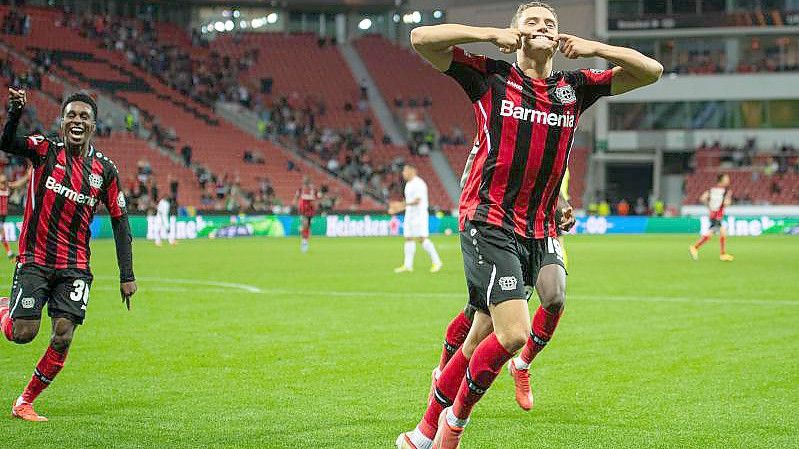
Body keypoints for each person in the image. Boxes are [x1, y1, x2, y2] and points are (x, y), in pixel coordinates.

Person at [395, 3, 662, 448]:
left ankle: (424, 430)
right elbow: (421, 39)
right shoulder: (490, 76)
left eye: (550, 24)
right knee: (514, 332)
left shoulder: (574, 89)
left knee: (480, 333)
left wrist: (594, 48)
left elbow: (650, 70)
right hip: (489, 220)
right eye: (532, 22)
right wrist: (490, 34)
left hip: (538, 230)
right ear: (517, 32)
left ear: (560, 37)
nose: (542, 28)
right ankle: (451, 429)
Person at [0, 88, 137, 422]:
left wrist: (127, 275)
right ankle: (4, 307)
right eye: (72, 115)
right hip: (35, 258)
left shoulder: (105, 170)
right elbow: (7, 143)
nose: (77, 120)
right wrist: (15, 113)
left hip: (75, 266)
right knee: (23, 334)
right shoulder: (45, 150)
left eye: (84, 116)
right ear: (62, 122)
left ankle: (25, 402)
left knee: (63, 335)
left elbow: (120, 223)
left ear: (93, 124)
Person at [389, 164, 442, 273]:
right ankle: (408, 265)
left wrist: (400, 206)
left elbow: (417, 200)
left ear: (412, 171)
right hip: (410, 215)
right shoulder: (408, 184)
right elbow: (409, 201)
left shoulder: (419, 183)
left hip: (419, 215)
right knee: (408, 238)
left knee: (422, 239)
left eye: (405, 171)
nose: (403, 173)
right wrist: (400, 207)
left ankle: (437, 262)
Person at [689, 173, 734, 262]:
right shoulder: (725, 191)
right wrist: (727, 199)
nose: (728, 180)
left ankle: (722, 254)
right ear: (722, 179)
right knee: (714, 231)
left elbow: (702, 198)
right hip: (717, 215)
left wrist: (709, 206)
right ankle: (695, 247)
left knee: (721, 231)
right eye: (726, 178)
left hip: (713, 214)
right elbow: (727, 203)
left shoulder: (712, 190)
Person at [0, 166, 31, 260]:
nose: (3, 181)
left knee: (3, 234)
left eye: (4, 180)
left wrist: (27, 176)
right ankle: (9, 252)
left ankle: (9, 252)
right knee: (2, 233)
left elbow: (17, 184)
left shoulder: (7, 188)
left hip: (3, 215)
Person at [295, 176, 317, 253]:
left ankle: (305, 240)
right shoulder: (300, 190)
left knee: (308, 227)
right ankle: (304, 242)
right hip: (303, 210)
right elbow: (297, 197)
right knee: (305, 225)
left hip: (310, 211)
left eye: (306, 182)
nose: (305, 184)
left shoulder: (312, 190)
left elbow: (314, 199)